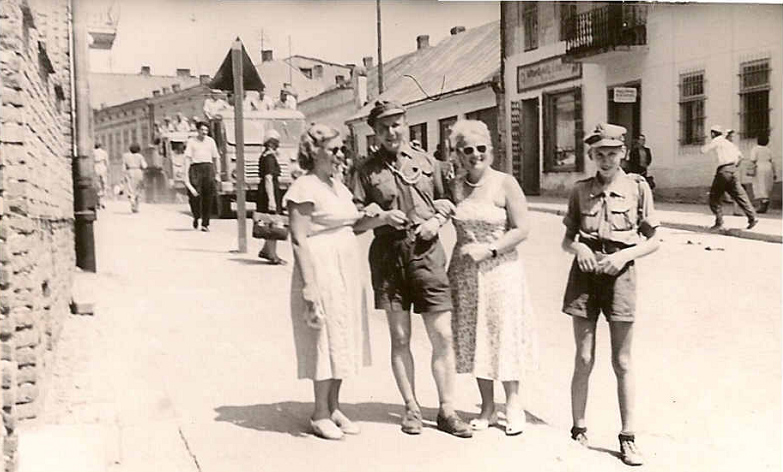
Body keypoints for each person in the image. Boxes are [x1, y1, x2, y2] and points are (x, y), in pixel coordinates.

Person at [352, 100, 471, 438]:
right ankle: (411, 407)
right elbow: (356, 223)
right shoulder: (364, 171)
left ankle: (447, 409)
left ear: (405, 124)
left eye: (397, 124)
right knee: (400, 336)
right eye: (385, 126)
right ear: (375, 132)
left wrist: (436, 220)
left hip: (427, 252)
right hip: (389, 256)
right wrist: (379, 217)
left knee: (442, 335)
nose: (392, 131)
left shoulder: (426, 162)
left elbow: (450, 202)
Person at [561, 123, 660, 467]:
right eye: (599, 153)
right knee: (584, 357)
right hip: (585, 278)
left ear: (623, 154)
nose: (606, 159)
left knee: (622, 361)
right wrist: (579, 249)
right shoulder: (579, 190)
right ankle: (578, 429)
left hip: (621, 276)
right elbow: (567, 238)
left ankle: (628, 437)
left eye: (612, 152)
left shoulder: (637, 188)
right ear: (591, 155)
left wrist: (622, 256)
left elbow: (654, 239)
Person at [446, 120, 538, 437]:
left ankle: (513, 403)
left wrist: (490, 250)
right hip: (465, 274)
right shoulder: (455, 185)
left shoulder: (505, 183)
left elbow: (522, 228)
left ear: (491, 150)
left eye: (481, 149)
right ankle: (486, 405)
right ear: (457, 154)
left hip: (501, 270)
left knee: (503, 332)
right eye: (467, 150)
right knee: (475, 336)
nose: (475, 155)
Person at [284, 123, 372, 440]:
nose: (339, 154)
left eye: (341, 149)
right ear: (313, 150)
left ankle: (334, 406)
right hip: (321, 268)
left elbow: (353, 225)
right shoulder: (304, 188)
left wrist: (380, 218)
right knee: (323, 336)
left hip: (346, 267)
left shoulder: (337, 185)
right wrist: (310, 285)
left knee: (342, 333)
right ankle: (319, 412)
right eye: (333, 149)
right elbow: (298, 238)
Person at [701, 125, 757, 230]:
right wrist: (733, 167)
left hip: (723, 171)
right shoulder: (729, 144)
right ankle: (752, 217)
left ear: (713, 133)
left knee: (714, 197)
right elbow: (740, 157)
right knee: (740, 196)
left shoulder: (717, 141)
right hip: (733, 170)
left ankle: (719, 222)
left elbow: (704, 150)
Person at [184, 121, 221, 232]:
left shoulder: (211, 141)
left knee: (208, 197)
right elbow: (187, 158)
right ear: (198, 130)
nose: (204, 132)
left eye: (206, 130)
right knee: (194, 196)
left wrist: (217, 173)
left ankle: (205, 223)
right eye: (202, 130)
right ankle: (196, 216)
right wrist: (185, 173)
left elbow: (216, 158)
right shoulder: (191, 142)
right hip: (195, 169)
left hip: (208, 168)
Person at [256, 129, 286, 265]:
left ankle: (265, 250)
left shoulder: (265, 156)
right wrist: (272, 200)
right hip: (269, 192)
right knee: (273, 224)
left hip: (266, 191)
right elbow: (268, 178)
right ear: (271, 143)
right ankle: (272, 255)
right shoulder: (269, 158)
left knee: (269, 222)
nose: (277, 144)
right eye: (275, 142)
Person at [749, 135, 776, 213]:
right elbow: (772, 161)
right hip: (768, 167)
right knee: (766, 185)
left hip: (759, 167)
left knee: (760, 185)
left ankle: (763, 204)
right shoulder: (768, 150)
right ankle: (765, 202)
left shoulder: (755, 149)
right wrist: (774, 172)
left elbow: (753, 159)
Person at [122, 143, 147, 213]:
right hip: (138, 172)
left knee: (130, 189)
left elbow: (123, 167)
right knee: (138, 189)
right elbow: (144, 166)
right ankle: (136, 207)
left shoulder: (125, 156)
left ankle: (132, 202)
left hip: (129, 171)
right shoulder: (140, 156)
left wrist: (124, 174)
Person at [93, 143, 109, 209]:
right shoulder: (104, 152)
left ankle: (98, 202)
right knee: (104, 184)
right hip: (102, 166)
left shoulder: (93, 152)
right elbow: (107, 162)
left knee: (97, 185)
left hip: (96, 166)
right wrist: (107, 170)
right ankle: (103, 201)